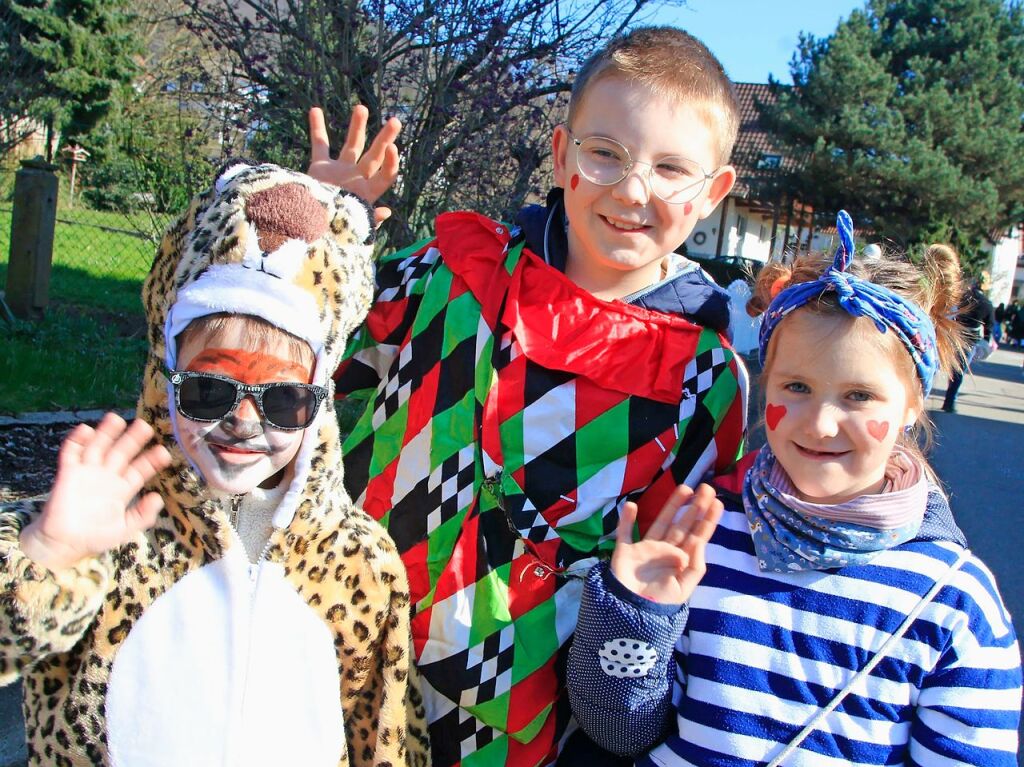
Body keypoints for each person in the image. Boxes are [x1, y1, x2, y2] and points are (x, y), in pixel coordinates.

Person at [307, 26, 748, 767]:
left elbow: (677, 582)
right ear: (560, 153)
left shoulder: (704, 379)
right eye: (604, 152)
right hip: (341, 640)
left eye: (672, 169)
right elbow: (313, 347)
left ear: (713, 193)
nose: (632, 188)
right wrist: (325, 229)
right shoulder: (455, 271)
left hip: (513, 715)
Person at [0, 162, 431, 766]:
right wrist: (49, 550)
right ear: (163, 372)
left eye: (284, 399)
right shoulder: (100, 522)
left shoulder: (362, 561)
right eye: (209, 389)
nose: (245, 423)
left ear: (321, 401)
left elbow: (386, 737)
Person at [567, 211, 1022, 765]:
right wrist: (635, 615)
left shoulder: (953, 601)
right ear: (766, 384)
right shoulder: (704, 537)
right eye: (797, 387)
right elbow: (618, 732)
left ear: (911, 405)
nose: (820, 423)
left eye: (859, 396)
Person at [941, 270, 996, 413]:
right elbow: (989, 326)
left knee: (953, 368)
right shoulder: (987, 304)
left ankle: (948, 397)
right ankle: (950, 401)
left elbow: (949, 313)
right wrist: (986, 340)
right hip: (970, 341)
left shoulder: (962, 297)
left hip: (955, 335)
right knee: (960, 371)